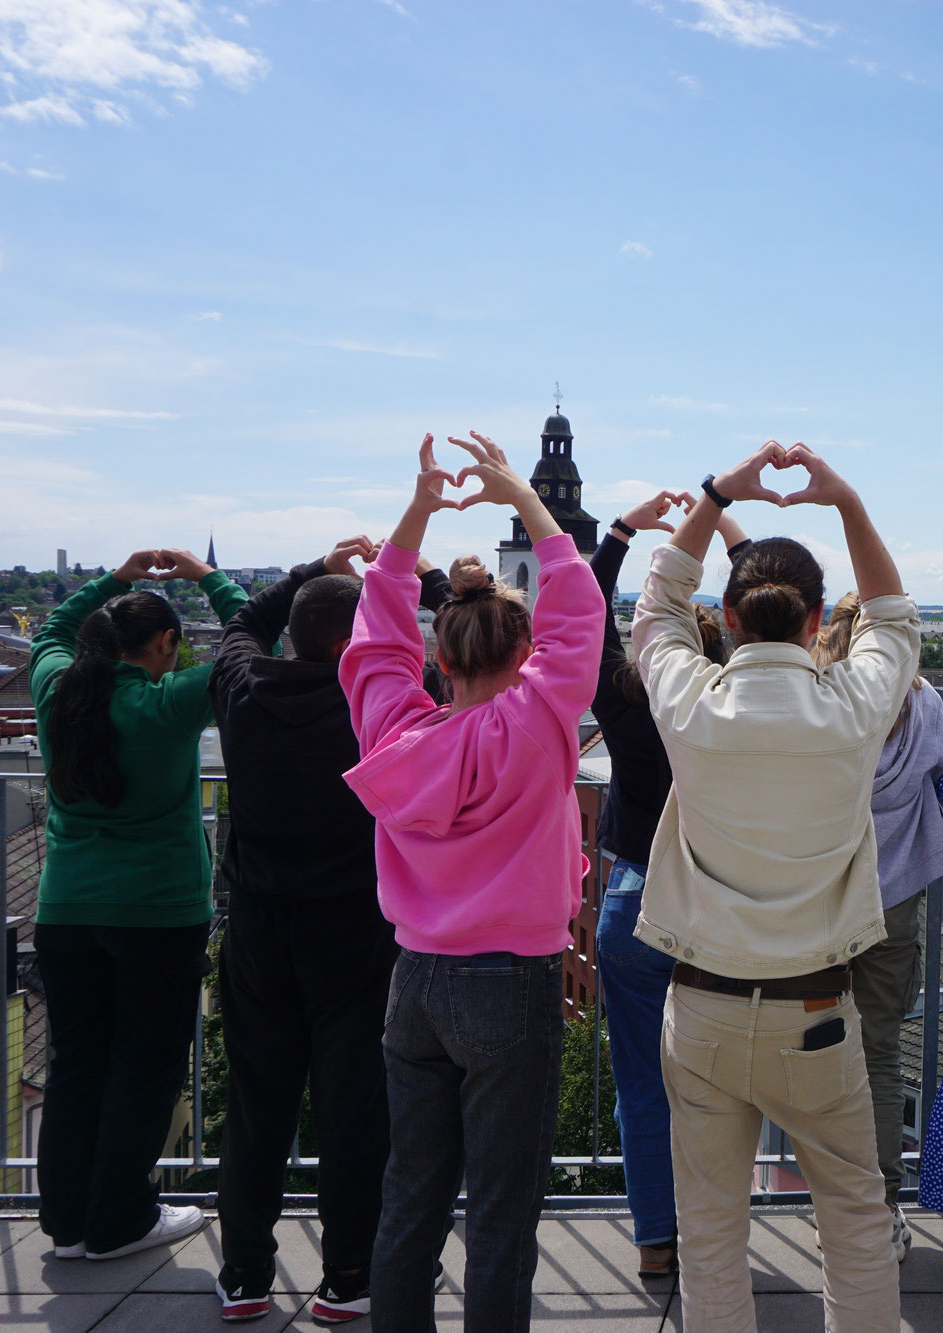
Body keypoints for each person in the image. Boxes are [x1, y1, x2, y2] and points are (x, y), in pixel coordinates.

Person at [630, 442, 916, 1333]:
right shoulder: (854, 706)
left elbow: (654, 606)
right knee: (855, 1223)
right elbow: (896, 619)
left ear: (728, 615)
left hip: (704, 1006)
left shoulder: (691, 701)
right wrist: (848, 505)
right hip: (817, 1012)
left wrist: (717, 494)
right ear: (818, 616)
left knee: (711, 1233)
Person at [342, 432, 603, 1333]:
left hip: (413, 979)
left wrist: (417, 511)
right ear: (525, 651)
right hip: (511, 981)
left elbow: (374, 638)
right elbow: (580, 611)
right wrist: (525, 502)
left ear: (439, 659)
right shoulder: (535, 723)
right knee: (500, 1216)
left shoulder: (394, 737)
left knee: (410, 1197)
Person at [207, 535, 450, 1323]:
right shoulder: (383, 706)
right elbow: (466, 654)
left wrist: (312, 571)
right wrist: (419, 579)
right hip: (355, 925)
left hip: (258, 919)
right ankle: (348, 1273)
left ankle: (244, 1270)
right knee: (352, 1105)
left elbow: (239, 626)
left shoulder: (245, 689)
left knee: (256, 1101)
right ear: (363, 643)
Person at [29, 547, 244, 1263]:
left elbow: (50, 633)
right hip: (156, 911)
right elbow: (250, 646)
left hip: (65, 911)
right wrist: (206, 578)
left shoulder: (58, 689)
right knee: (144, 1065)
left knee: (76, 1064)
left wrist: (117, 578)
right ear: (165, 643)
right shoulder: (168, 701)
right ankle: (120, 1216)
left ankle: (66, 1221)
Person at [587, 486, 748, 1282]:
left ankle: (657, 1238)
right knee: (721, 1088)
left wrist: (620, 532)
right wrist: (726, 526)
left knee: (643, 1087)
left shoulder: (628, 698)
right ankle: (717, 1238)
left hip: (638, 900)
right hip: (719, 902)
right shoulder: (732, 698)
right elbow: (770, 612)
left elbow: (580, 621)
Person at [812, 591, 943, 1257]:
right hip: (893, 899)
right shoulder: (923, 702)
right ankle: (882, 1206)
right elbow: (939, 771)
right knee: (877, 1052)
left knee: (813, 1049)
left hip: (822, 895)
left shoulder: (824, 696)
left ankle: (833, 1203)